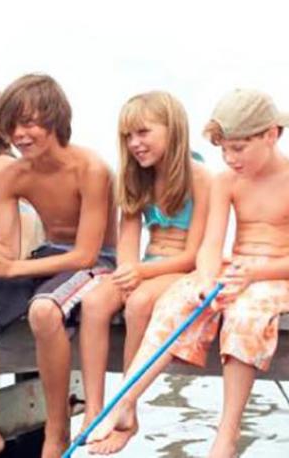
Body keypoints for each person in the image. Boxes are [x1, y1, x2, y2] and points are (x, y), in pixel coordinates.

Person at [84, 88, 289, 457]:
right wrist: (207, 279)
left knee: (243, 316)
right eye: (224, 149)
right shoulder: (227, 180)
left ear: (270, 135)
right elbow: (211, 245)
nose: (229, 158)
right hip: (235, 270)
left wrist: (255, 275)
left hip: (282, 276)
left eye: (238, 148)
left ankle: (226, 434)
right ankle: (125, 402)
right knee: (175, 302)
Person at [0, 74, 116, 458]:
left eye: (30, 122)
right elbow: (7, 249)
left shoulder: (90, 168)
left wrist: (13, 270)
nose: (20, 134)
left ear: (55, 119)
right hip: (46, 258)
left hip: (97, 262)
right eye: (12, 125)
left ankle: (56, 430)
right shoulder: (13, 174)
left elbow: (86, 255)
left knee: (43, 311)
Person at [77, 91, 210, 452]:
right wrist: (125, 271)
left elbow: (196, 256)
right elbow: (128, 241)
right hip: (147, 266)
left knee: (138, 305)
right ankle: (93, 409)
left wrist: (140, 275)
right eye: (128, 137)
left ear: (173, 130)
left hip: (182, 268)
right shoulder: (137, 178)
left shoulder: (200, 177)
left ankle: (127, 406)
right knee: (94, 302)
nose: (135, 143)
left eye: (143, 133)